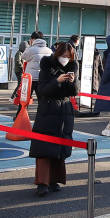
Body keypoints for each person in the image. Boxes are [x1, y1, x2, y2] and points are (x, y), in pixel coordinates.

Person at [31, 42, 78, 195]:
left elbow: (74, 92)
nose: (65, 59)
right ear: (57, 54)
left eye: (68, 56)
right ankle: (42, 183)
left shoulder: (73, 66)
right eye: (63, 56)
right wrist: (57, 81)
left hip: (64, 110)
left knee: (60, 147)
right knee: (44, 148)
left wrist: (72, 81)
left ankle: (54, 180)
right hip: (48, 109)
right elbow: (42, 90)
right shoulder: (46, 64)